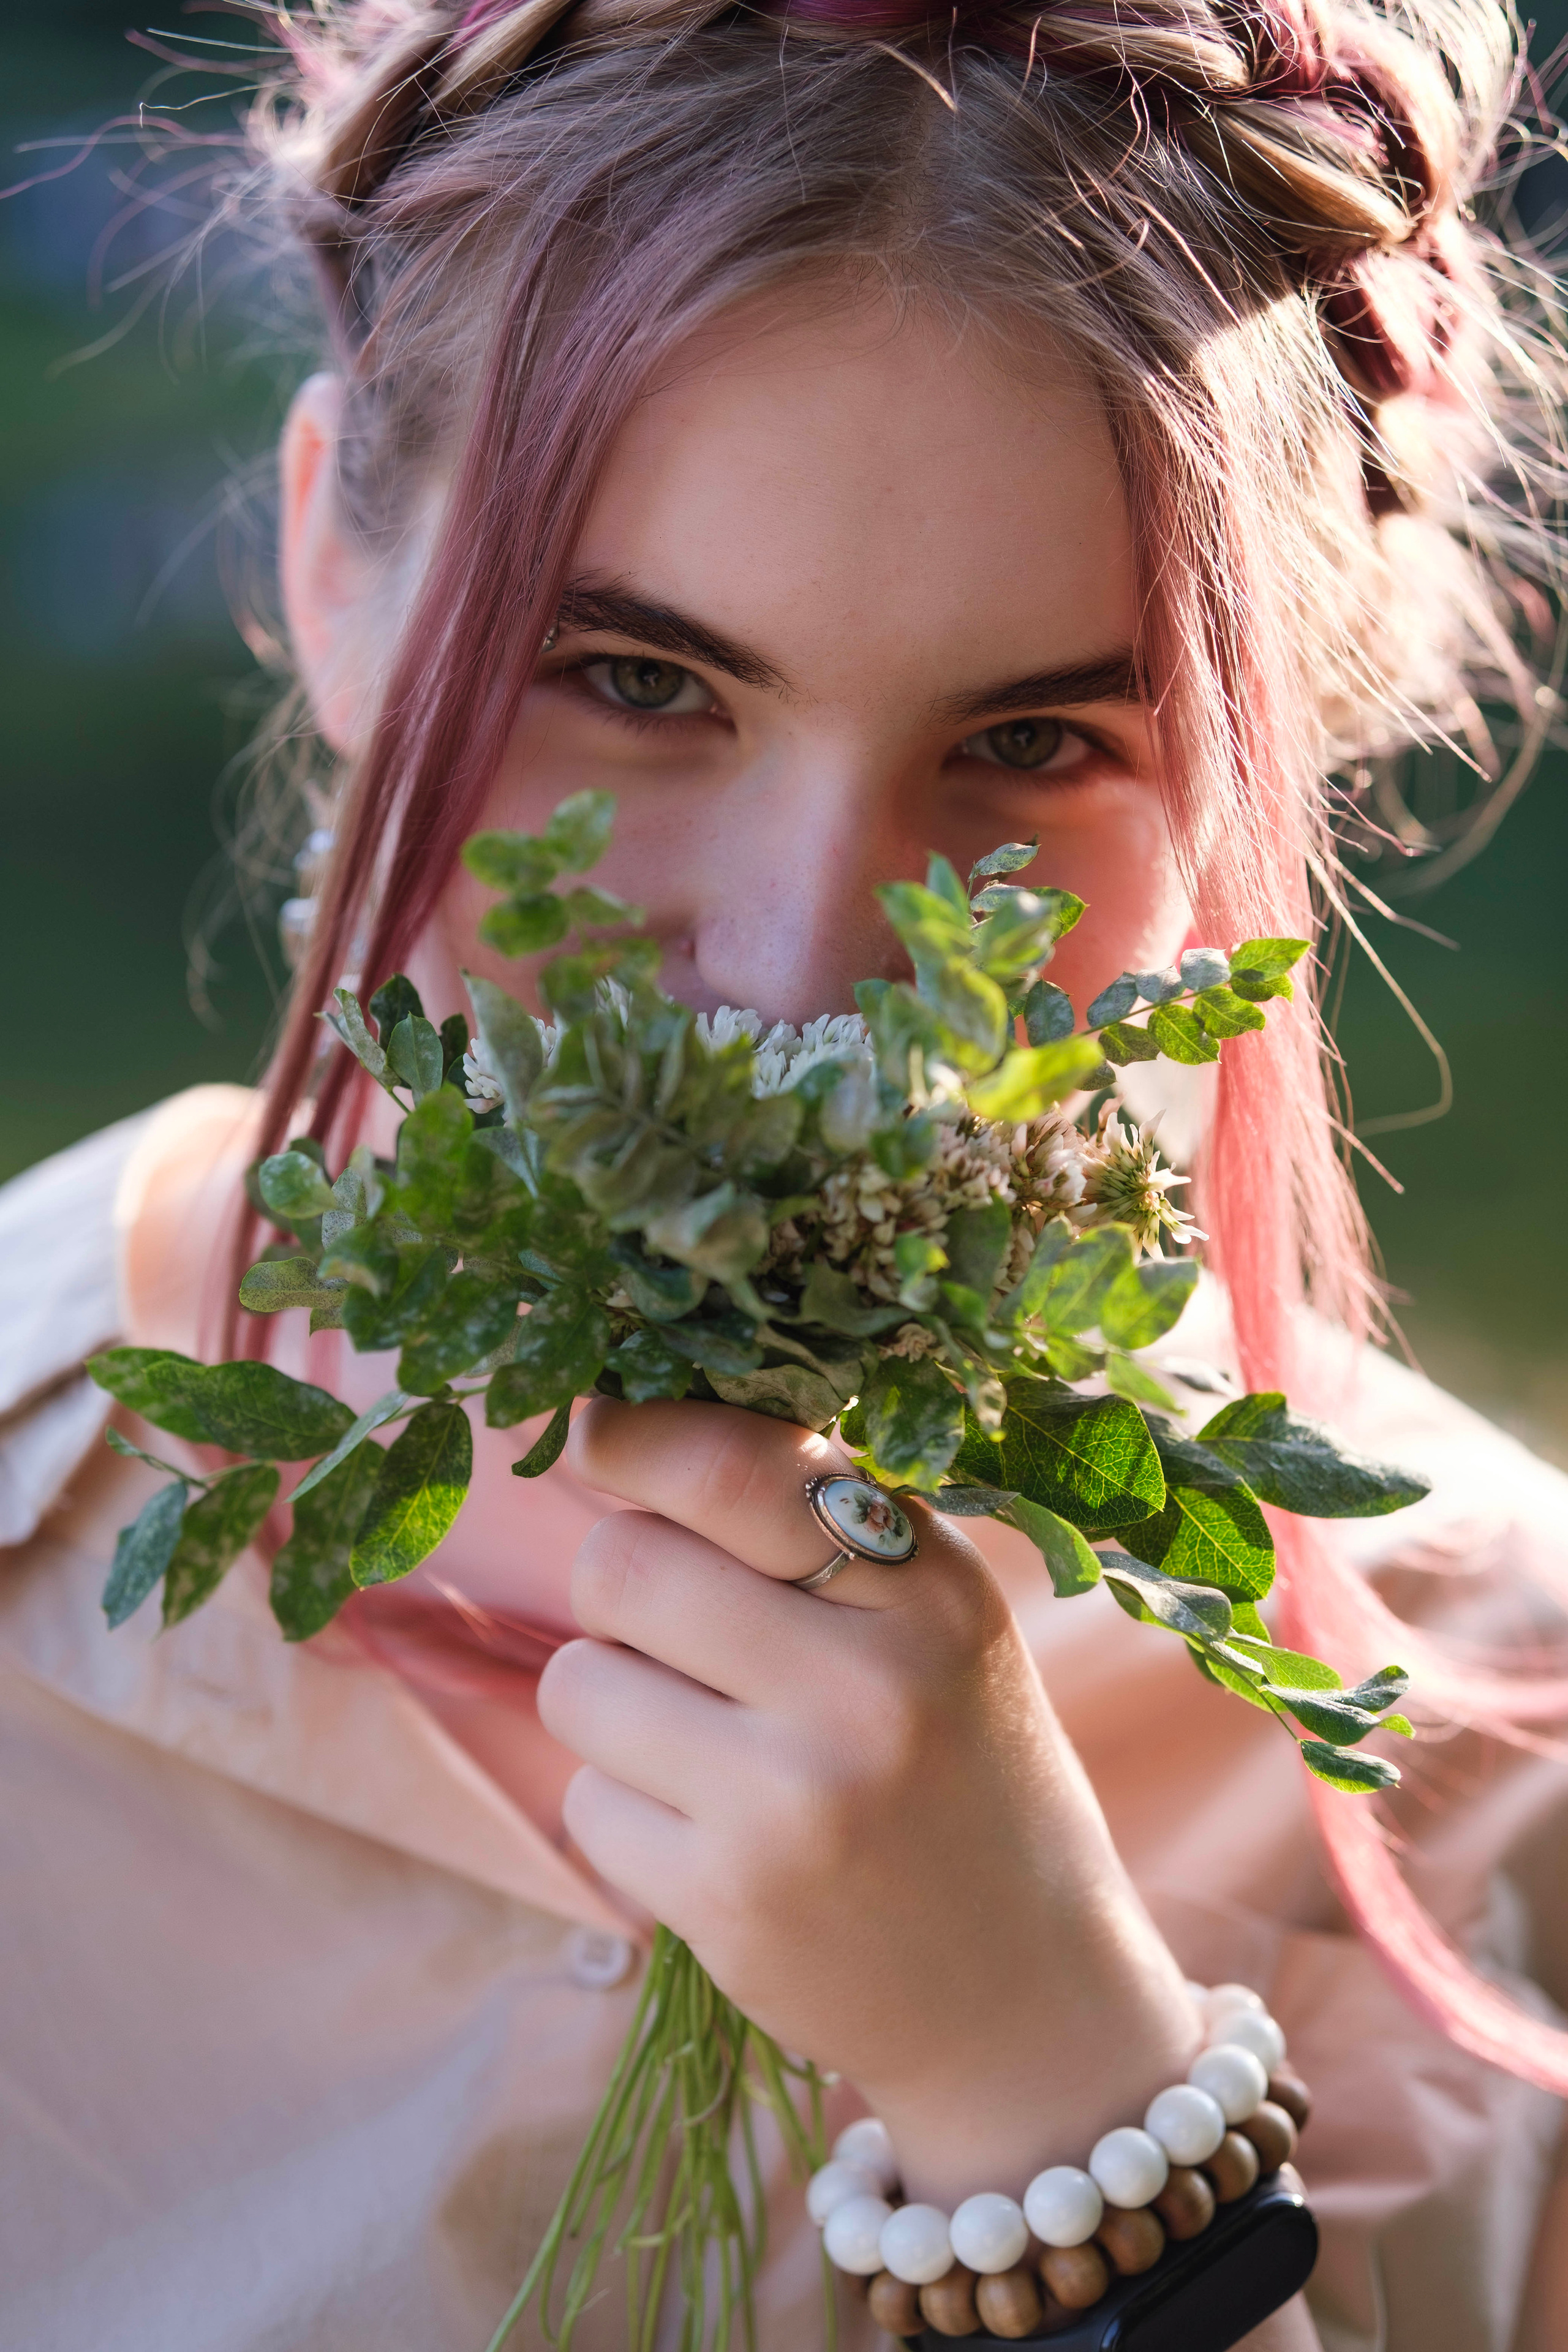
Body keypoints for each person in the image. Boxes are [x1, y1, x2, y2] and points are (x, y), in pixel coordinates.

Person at [2, 0, 1566, 2345]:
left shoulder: (1503, 1735)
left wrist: (1060, 2091)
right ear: (332, 557)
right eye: (636, 680)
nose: (798, 950)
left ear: (1296, 736)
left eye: (1037, 739)